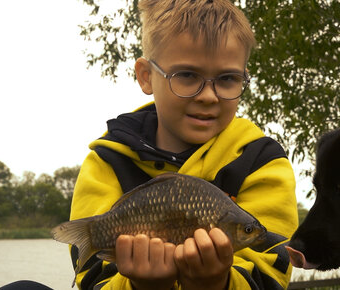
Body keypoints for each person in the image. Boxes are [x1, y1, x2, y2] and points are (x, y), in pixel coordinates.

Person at [68, 0, 298, 289]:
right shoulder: (107, 161)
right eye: (188, 76)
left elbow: (270, 275)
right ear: (146, 76)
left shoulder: (261, 161)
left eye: (227, 79)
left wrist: (216, 282)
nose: (209, 96)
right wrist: (141, 285)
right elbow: (93, 281)